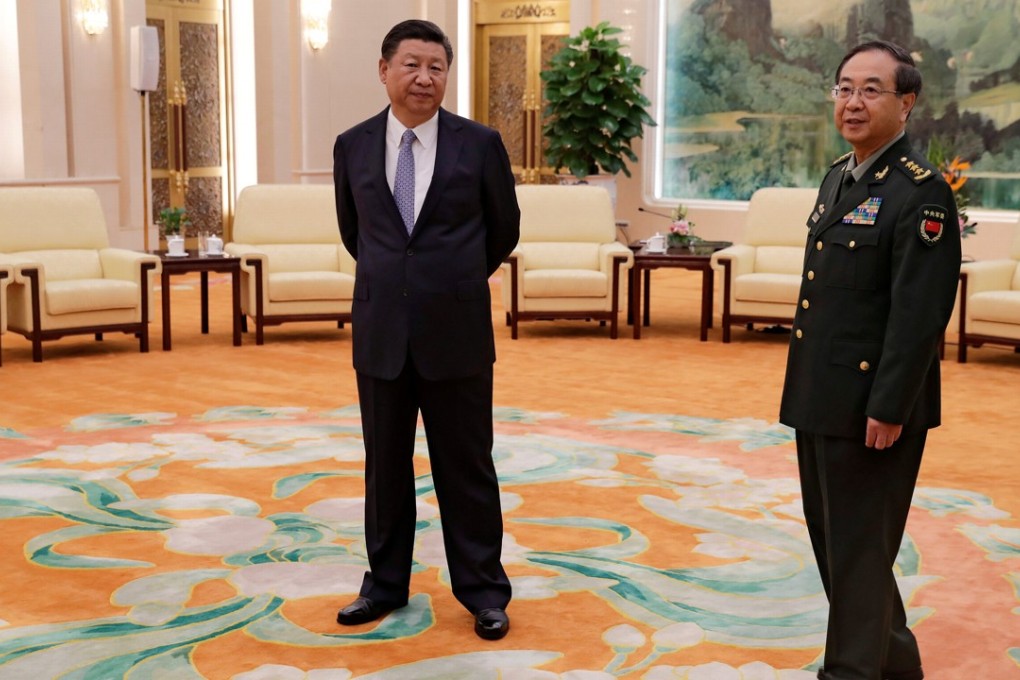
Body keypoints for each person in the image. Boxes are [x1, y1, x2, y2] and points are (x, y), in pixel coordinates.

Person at [331, 19, 520, 640]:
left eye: (437, 66)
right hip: (382, 330)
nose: (424, 77)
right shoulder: (352, 145)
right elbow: (356, 234)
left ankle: (484, 592)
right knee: (384, 468)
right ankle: (383, 586)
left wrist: (450, 279)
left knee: (466, 466)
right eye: (412, 64)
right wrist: (401, 280)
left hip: (457, 330)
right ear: (384, 70)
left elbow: (502, 231)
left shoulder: (480, 143)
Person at [779, 41, 961, 680]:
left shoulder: (922, 194)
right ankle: (899, 670)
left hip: (871, 411)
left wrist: (888, 408)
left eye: (871, 90)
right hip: (820, 399)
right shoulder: (841, 175)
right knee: (842, 551)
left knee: (858, 555)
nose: (852, 102)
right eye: (844, 88)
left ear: (906, 103)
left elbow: (918, 319)